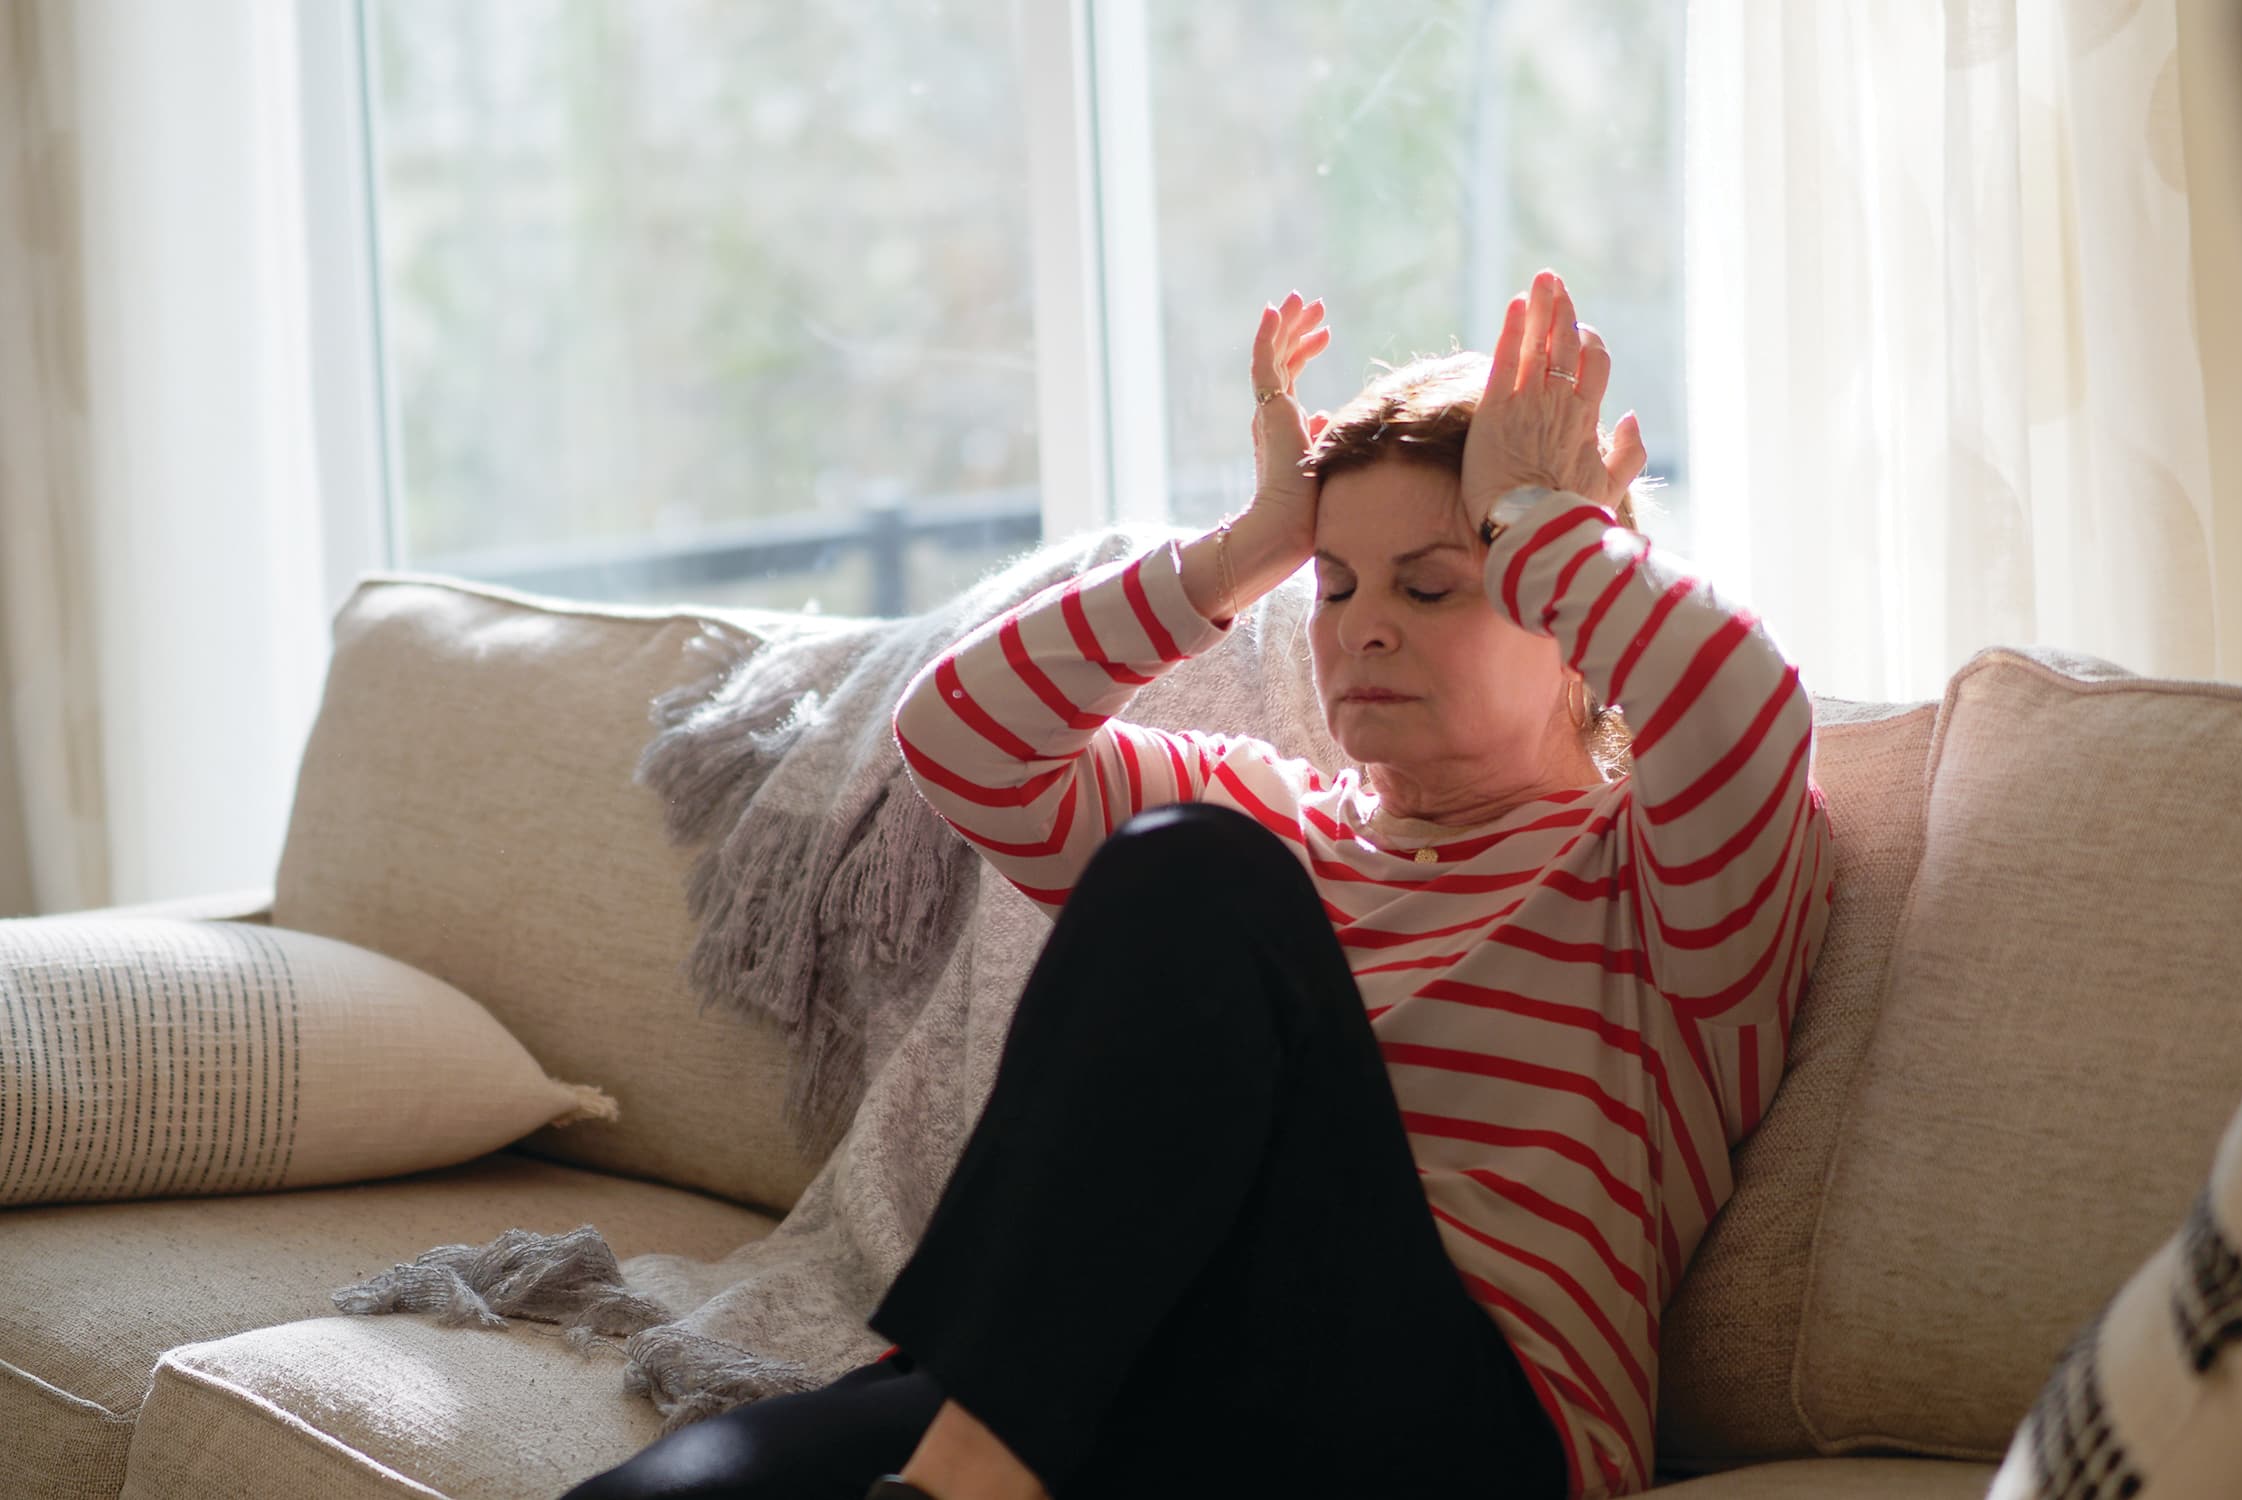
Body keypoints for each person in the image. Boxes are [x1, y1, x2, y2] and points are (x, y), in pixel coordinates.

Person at [561, 269, 1836, 1500]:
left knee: (1192, 864)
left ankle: (966, 1481)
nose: (1363, 625)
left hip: (1452, 1419)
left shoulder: (1658, 876)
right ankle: (980, 1457)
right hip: (1136, 1382)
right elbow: (961, 736)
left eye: (1433, 583)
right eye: (1336, 583)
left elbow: (1738, 698)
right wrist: (1247, 549)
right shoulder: (1279, 823)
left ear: (1573, 625)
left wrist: (1539, 520)